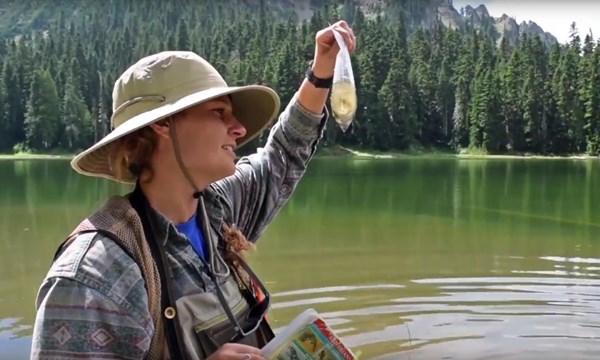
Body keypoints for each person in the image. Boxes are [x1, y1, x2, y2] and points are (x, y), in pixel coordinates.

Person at [30, 21, 356, 360]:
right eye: (219, 113)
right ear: (162, 124)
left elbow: (283, 155)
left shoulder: (219, 209)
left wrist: (321, 71)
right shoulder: (95, 274)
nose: (239, 128)